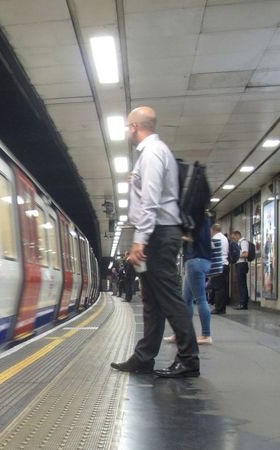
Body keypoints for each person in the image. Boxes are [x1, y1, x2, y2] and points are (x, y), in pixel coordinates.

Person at [110, 106, 200, 378]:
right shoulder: (155, 153)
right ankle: (144, 357)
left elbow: (150, 201)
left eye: (128, 126)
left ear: (135, 126)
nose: (128, 131)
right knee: (152, 301)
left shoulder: (151, 153)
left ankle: (189, 360)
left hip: (158, 234)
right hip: (158, 232)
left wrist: (140, 239)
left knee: (170, 299)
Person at [164, 215, 214, 345]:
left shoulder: (198, 218)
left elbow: (195, 238)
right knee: (186, 300)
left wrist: (178, 236)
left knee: (201, 299)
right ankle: (181, 333)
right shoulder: (202, 218)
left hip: (195, 261)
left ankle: (206, 335)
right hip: (196, 261)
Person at [209, 223, 229, 314]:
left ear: (213, 230)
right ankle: (222, 308)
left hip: (218, 265)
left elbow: (211, 253)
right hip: (225, 264)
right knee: (222, 288)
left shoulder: (215, 239)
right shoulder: (225, 238)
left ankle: (219, 309)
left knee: (218, 288)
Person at [232, 230, 250, 310]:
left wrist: (236, 256)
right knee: (240, 284)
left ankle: (243, 304)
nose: (234, 239)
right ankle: (241, 302)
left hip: (242, 264)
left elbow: (246, 254)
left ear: (237, 235)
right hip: (239, 264)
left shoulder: (243, 242)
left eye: (234, 237)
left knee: (242, 284)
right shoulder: (239, 243)